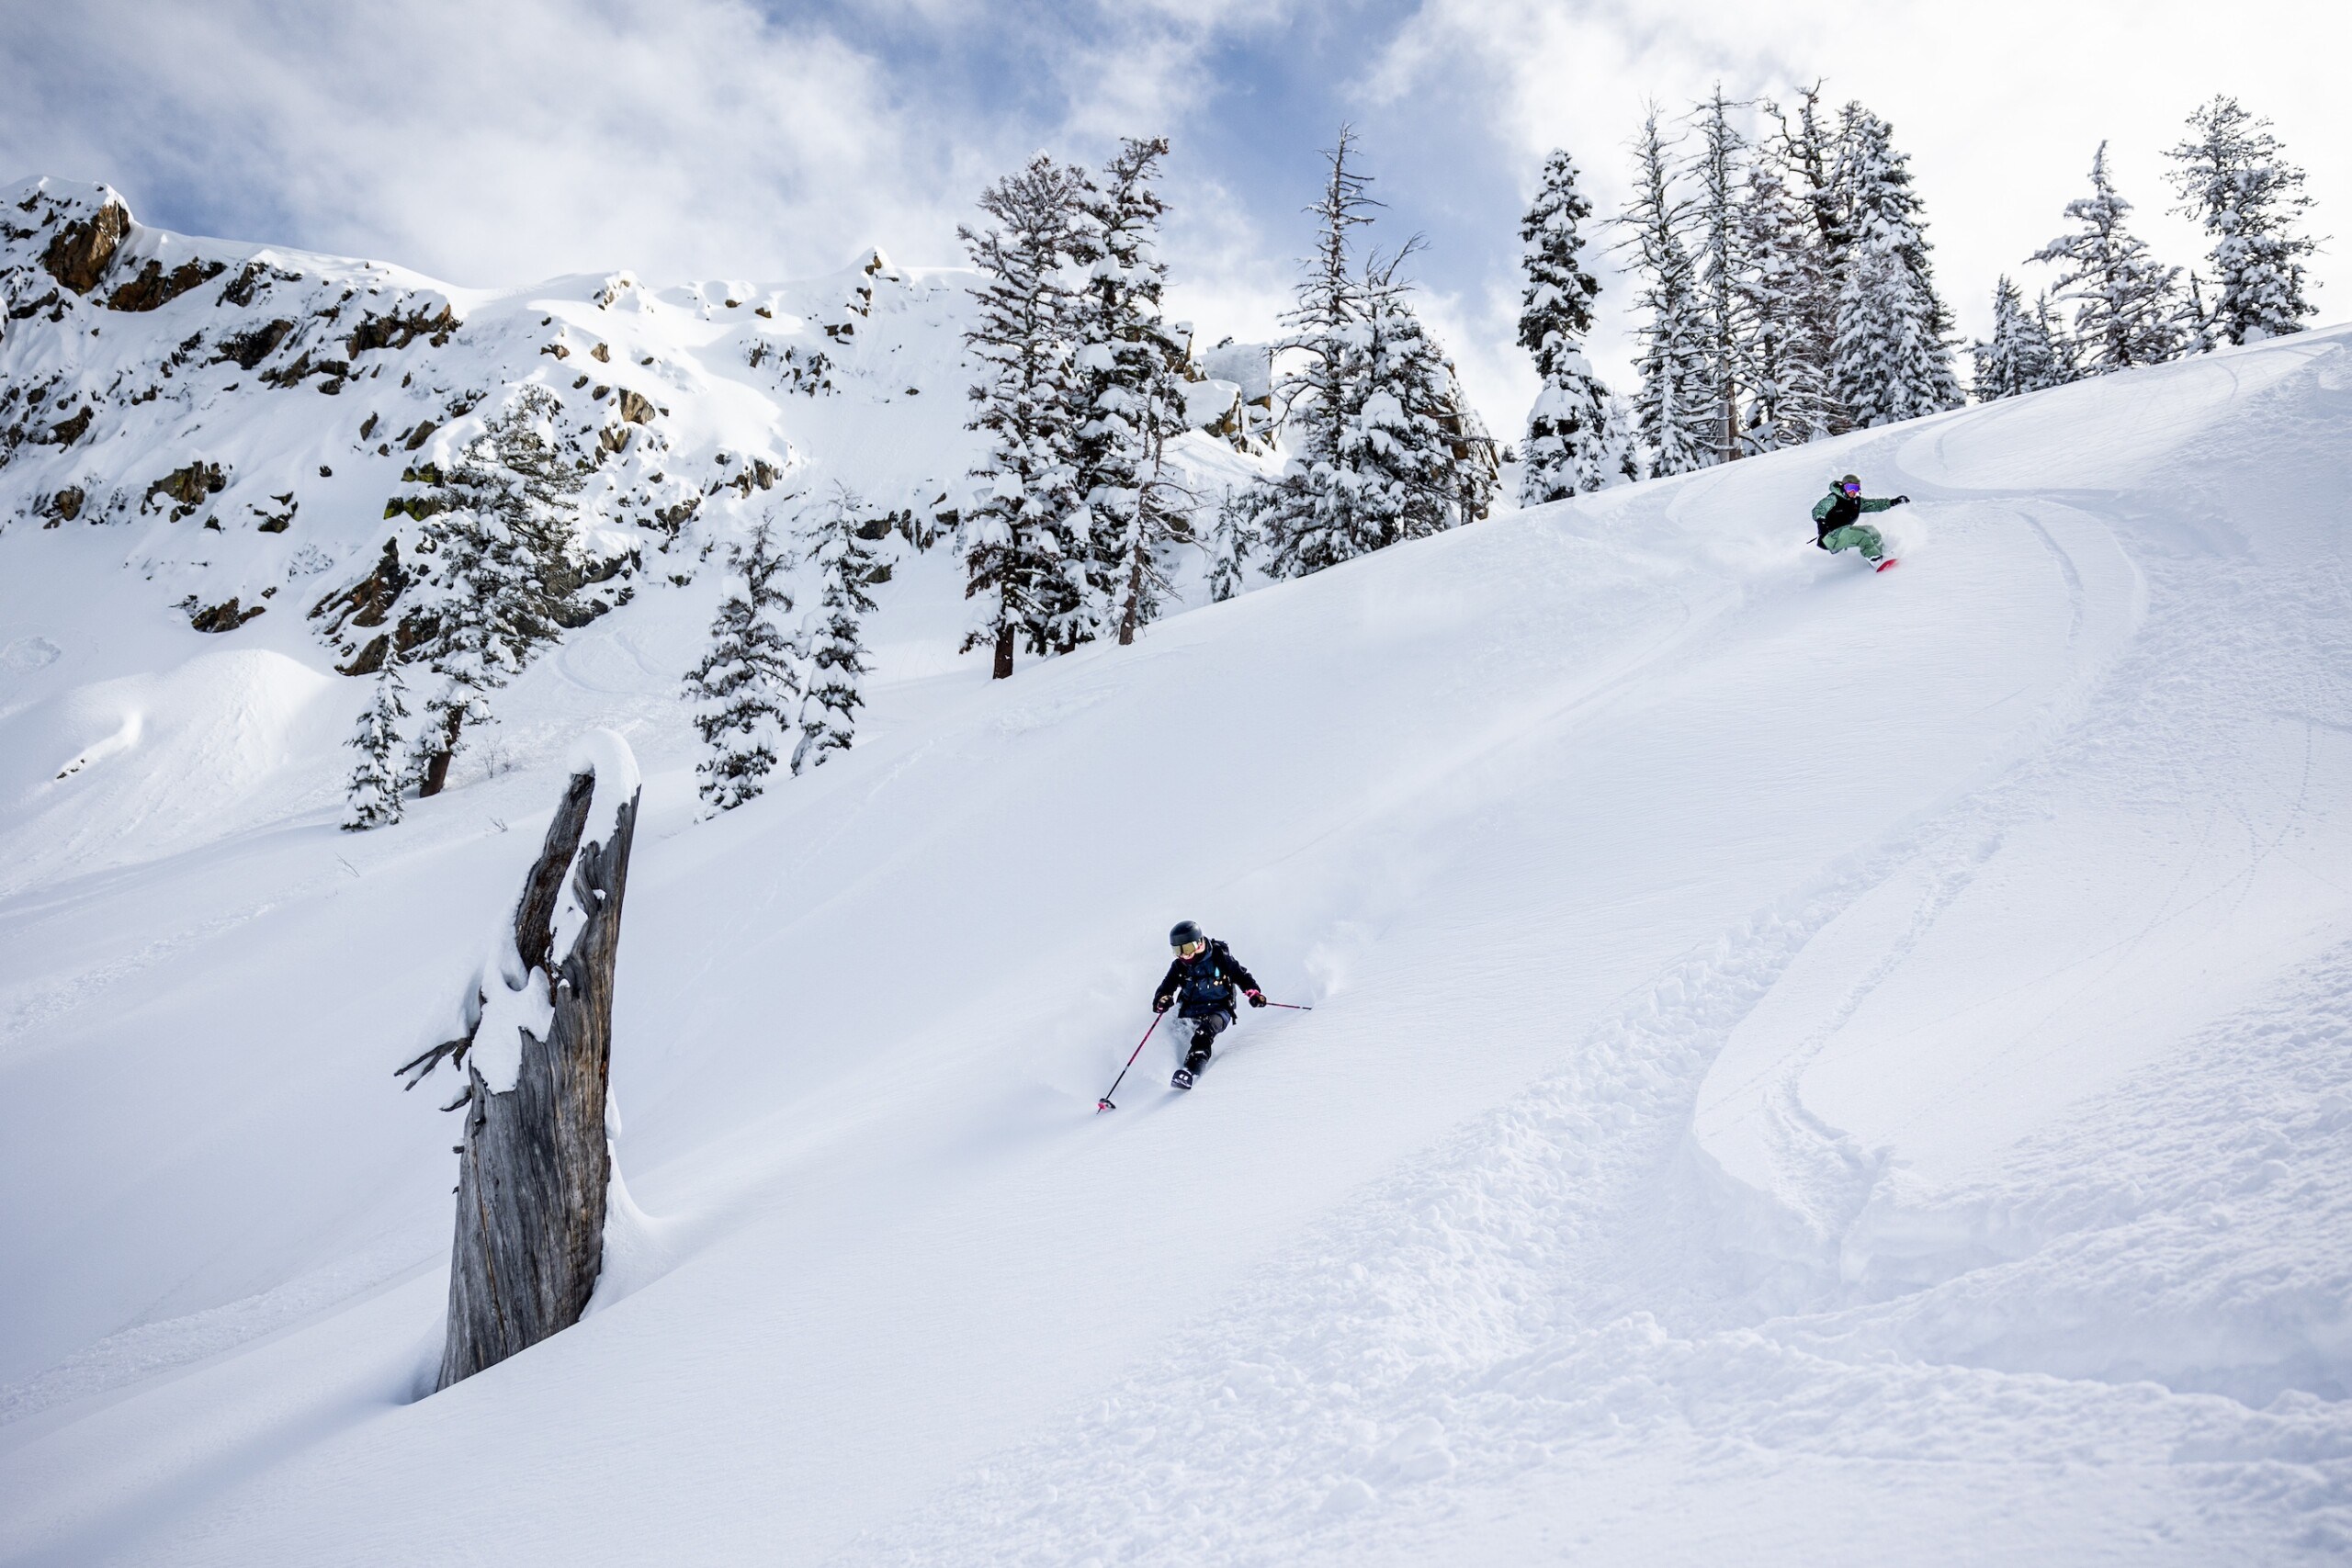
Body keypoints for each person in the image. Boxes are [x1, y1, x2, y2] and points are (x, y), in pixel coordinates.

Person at [1151, 919, 1265, 1089]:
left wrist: (1254, 993)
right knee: (1172, 1033)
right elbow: (1165, 988)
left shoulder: (1219, 957)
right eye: (1178, 950)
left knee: (1204, 1032)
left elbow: (1241, 976)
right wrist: (1162, 1001)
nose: (1183, 955)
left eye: (1187, 949)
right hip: (1189, 1009)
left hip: (1219, 1008)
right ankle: (1149, 1080)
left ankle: (1190, 1072)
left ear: (1198, 943)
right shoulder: (1179, 966)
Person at [1812, 473, 1909, 566]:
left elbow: (1874, 504)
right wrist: (1821, 522)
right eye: (1850, 488)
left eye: (1855, 488)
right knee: (1862, 536)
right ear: (1843, 487)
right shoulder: (1833, 499)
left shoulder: (1856, 501)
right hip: (1829, 536)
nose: (1852, 491)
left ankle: (1882, 553)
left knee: (1871, 531)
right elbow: (1818, 510)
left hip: (1845, 531)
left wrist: (1893, 502)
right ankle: (1875, 560)